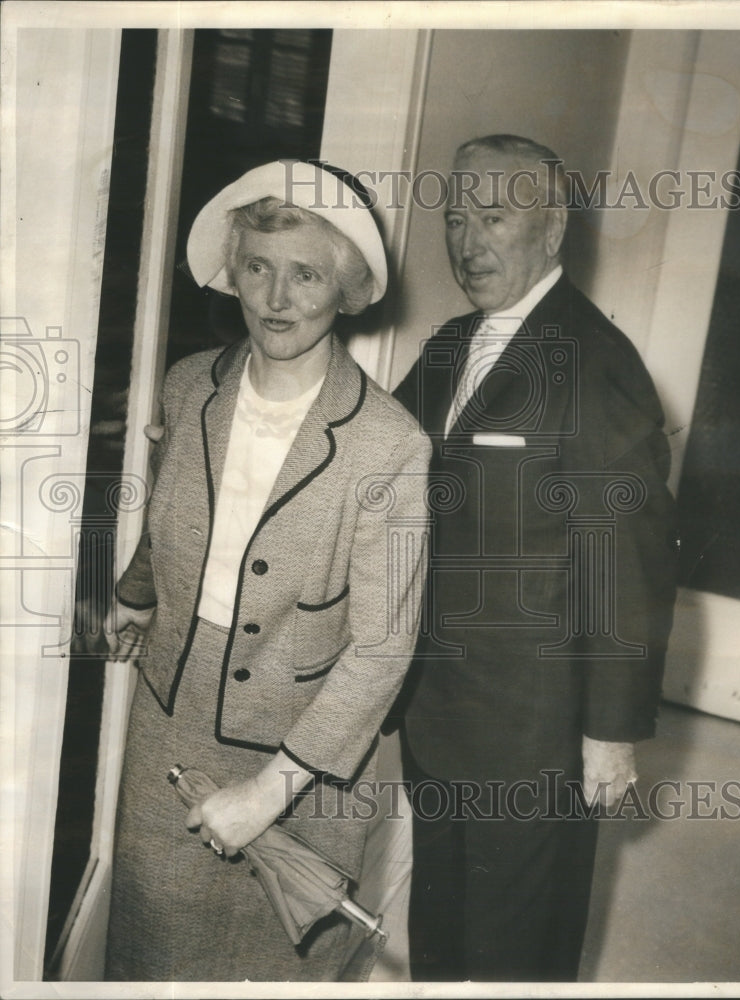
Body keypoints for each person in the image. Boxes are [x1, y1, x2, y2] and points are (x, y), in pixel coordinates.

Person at [103, 160, 431, 982]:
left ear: (347, 288)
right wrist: (135, 596)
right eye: (257, 267)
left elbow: (382, 650)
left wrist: (268, 793)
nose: (277, 300)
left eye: (306, 274)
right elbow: (170, 515)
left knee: (272, 961)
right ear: (233, 273)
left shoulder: (389, 445)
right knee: (150, 945)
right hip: (168, 721)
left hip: (307, 743)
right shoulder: (188, 388)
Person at [393, 134, 679, 982]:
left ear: (551, 230)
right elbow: (373, 460)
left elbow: (627, 557)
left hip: (536, 730)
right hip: (440, 713)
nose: (468, 240)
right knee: (440, 929)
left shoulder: (596, 362)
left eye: (493, 216)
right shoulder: (452, 343)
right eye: (454, 218)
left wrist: (609, 732)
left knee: (515, 952)